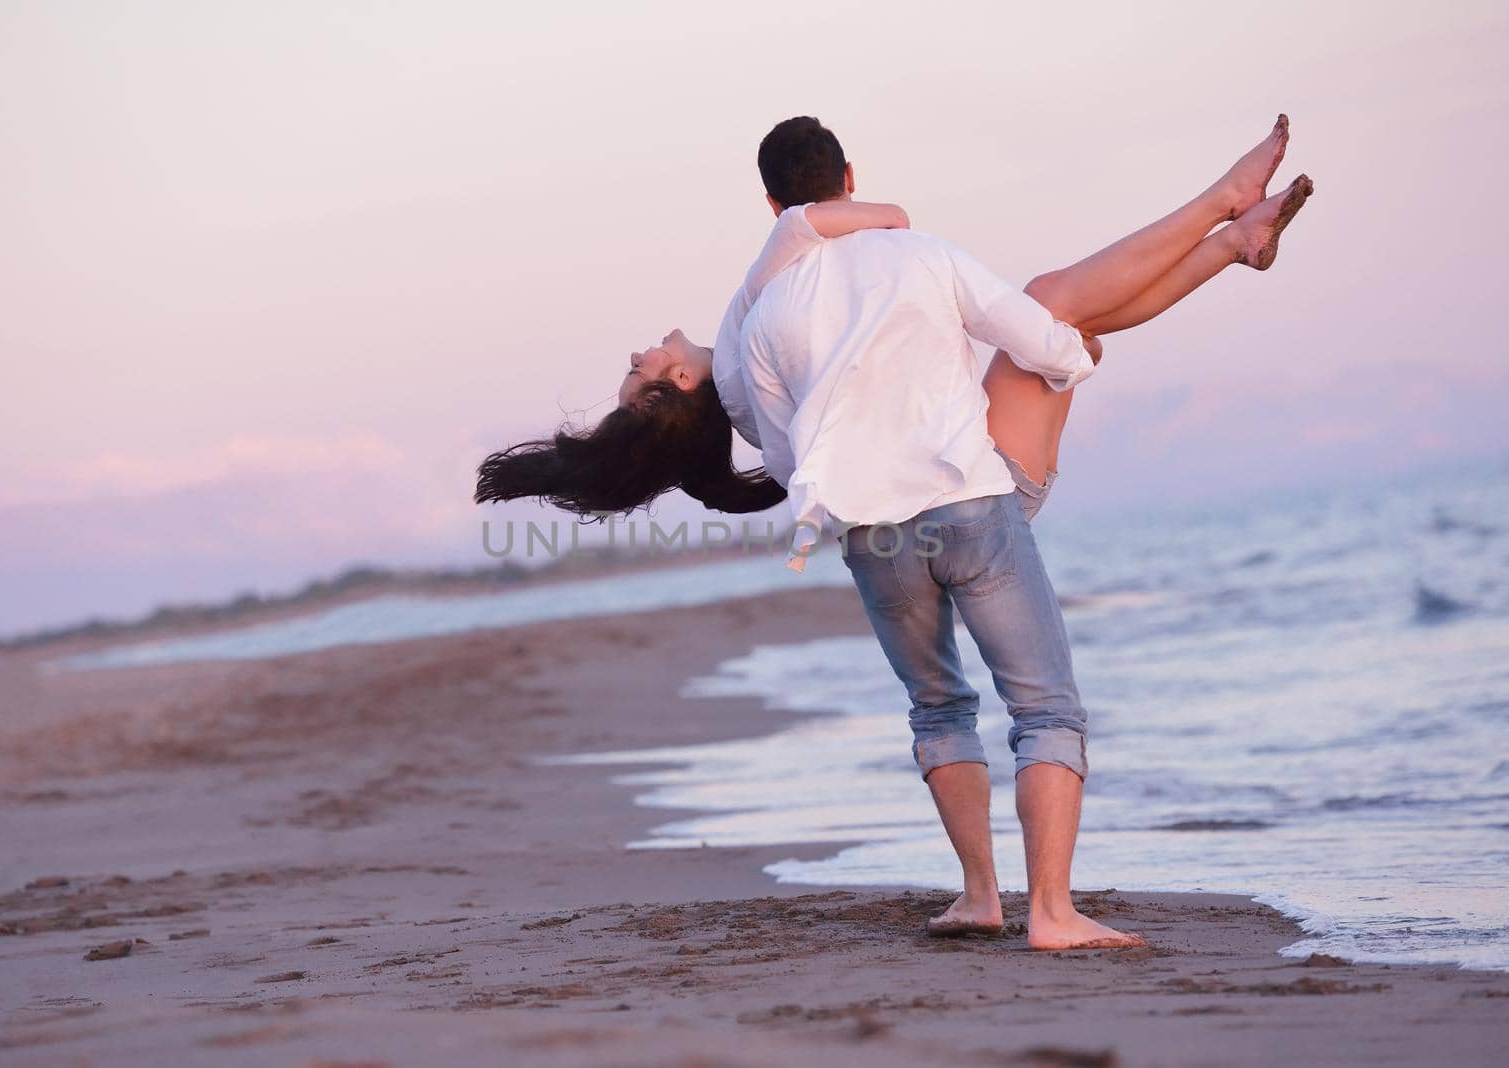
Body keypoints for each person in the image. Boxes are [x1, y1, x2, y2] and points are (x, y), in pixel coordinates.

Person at [475, 114, 1312, 949]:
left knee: (938, 707)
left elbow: (802, 449)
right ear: (846, 178)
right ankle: (1052, 914)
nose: (640, 349)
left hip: (877, 539)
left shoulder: (751, 346)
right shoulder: (803, 289)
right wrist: (1060, 356)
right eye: (643, 368)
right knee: (1045, 697)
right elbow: (816, 228)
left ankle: (982, 896)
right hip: (971, 503)